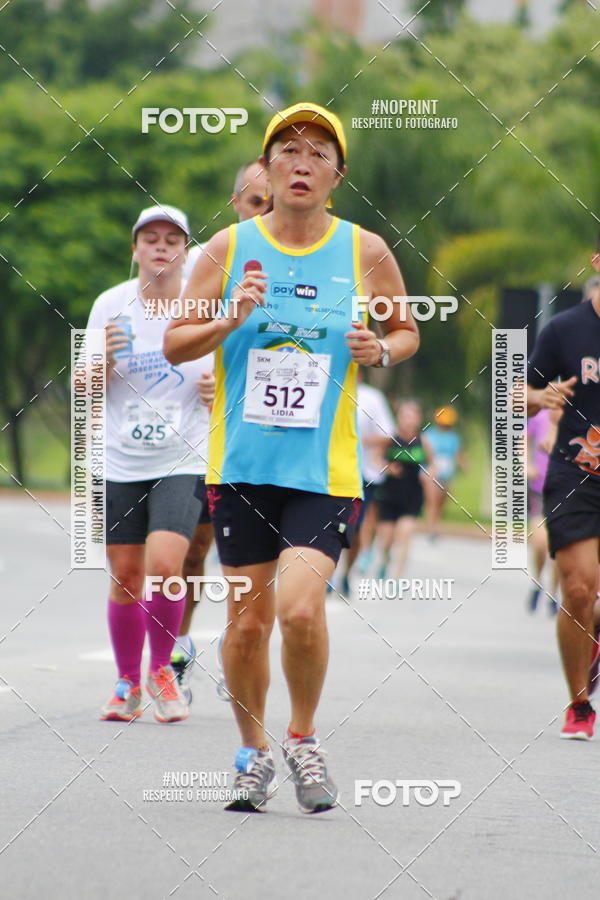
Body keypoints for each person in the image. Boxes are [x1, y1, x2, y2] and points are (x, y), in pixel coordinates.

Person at [164, 101, 419, 813]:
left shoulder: (364, 251)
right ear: (267, 169)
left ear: (337, 175)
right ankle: (252, 752)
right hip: (243, 466)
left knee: (302, 612)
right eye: (288, 151)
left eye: (317, 153)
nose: (302, 162)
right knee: (248, 622)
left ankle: (302, 738)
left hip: (324, 470)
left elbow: (405, 334)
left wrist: (382, 349)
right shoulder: (225, 248)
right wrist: (230, 318)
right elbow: (175, 345)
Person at [90, 204, 212, 723]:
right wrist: (108, 362)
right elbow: (83, 387)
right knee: (125, 576)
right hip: (120, 460)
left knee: (166, 567)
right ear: (135, 249)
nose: (161, 246)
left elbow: (231, 378)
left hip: (181, 457)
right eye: (151, 238)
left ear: (185, 250)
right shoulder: (111, 306)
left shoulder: (202, 306)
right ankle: (125, 683)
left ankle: (161, 671)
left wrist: (216, 390)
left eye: (172, 239)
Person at [171, 162, 272, 699]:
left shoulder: (307, 258)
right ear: (237, 204)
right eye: (257, 203)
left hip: (260, 443)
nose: (267, 213)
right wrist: (201, 381)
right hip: (194, 439)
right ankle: (177, 649)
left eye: (273, 203)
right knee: (188, 554)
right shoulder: (216, 258)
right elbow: (170, 342)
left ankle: (237, 644)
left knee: (244, 564)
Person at [527, 275, 600, 739]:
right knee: (578, 588)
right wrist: (540, 396)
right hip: (577, 473)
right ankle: (579, 704)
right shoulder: (564, 329)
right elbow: (517, 393)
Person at [337, 369, 395, 593]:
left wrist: (355, 439)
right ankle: (328, 575)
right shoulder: (328, 389)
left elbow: (387, 434)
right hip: (330, 471)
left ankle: (346, 573)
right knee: (329, 524)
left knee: (354, 527)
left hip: (363, 473)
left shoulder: (371, 398)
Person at [375, 400, 434, 578]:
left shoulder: (423, 441)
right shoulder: (390, 438)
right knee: (387, 538)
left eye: (412, 416)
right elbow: (375, 457)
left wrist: (429, 473)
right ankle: (385, 560)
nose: (408, 420)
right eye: (404, 415)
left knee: (405, 535)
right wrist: (388, 467)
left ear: (418, 419)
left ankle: (398, 577)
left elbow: (433, 464)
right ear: (398, 418)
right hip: (389, 494)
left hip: (412, 494)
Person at [526, 408, 558, 615]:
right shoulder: (540, 416)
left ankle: (553, 595)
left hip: (566, 491)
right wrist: (527, 463)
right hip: (540, 488)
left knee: (557, 547)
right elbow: (524, 440)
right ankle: (537, 582)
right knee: (539, 543)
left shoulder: (578, 414)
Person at [423, 407, 466, 541]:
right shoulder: (429, 435)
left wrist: (464, 466)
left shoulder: (453, 437)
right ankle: (431, 529)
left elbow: (458, 454)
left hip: (447, 474)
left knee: (441, 502)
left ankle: (436, 524)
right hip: (432, 473)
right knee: (432, 501)